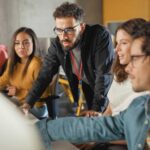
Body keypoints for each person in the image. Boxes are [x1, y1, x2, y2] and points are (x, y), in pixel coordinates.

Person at [35, 21, 150, 150]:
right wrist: (45, 128)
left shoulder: (141, 102)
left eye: (134, 58)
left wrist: (95, 141)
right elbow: (107, 125)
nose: (128, 68)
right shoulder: (140, 106)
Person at [22, 2, 114, 115]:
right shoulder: (57, 44)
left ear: (82, 27)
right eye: (59, 30)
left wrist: (96, 110)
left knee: (105, 113)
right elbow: (44, 75)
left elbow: (103, 75)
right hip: (89, 84)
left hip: (110, 85)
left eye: (69, 30)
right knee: (100, 120)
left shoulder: (100, 36)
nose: (63, 36)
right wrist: (28, 102)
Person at [0, 27, 50, 118]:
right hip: (20, 100)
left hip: (36, 107)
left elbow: (44, 93)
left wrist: (18, 92)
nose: (21, 46)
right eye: (17, 43)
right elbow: (4, 80)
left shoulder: (37, 64)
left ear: (33, 44)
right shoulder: (12, 61)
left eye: (26, 43)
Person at [105, 18, 147, 116]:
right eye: (117, 43)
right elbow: (111, 108)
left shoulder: (143, 82)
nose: (116, 49)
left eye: (123, 43)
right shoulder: (120, 72)